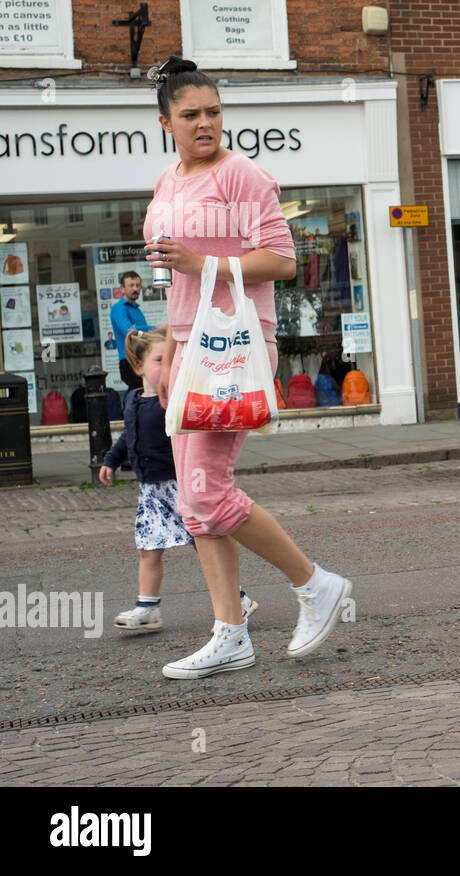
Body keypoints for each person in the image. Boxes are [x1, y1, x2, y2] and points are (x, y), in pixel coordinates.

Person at [143, 55, 352, 679]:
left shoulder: (245, 177)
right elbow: (174, 281)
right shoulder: (166, 182)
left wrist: (201, 260)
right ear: (165, 122)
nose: (205, 123)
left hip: (232, 346)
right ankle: (230, 632)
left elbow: (283, 263)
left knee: (208, 488)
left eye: (213, 112)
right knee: (194, 502)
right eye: (191, 115)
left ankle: (315, 585)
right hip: (189, 347)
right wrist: (169, 356)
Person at [99, 326, 257, 632]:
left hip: (179, 486)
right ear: (138, 366)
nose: (167, 365)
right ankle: (148, 609)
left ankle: (237, 600)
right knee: (148, 548)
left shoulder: (173, 400)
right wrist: (110, 460)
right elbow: (127, 437)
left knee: (205, 544)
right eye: (160, 359)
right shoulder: (131, 400)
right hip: (150, 492)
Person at [110, 272, 152, 391]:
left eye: (138, 285)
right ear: (122, 289)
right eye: (131, 285)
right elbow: (130, 332)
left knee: (142, 395)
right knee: (137, 394)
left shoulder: (137, 310)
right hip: (129, 361)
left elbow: (142, 335)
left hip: (141, 359)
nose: (136, 289)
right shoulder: (118, 308)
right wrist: (155, 329)